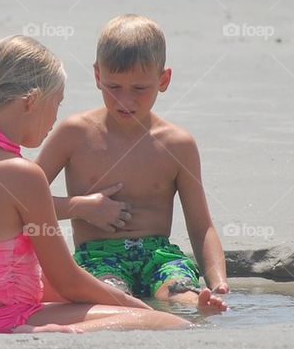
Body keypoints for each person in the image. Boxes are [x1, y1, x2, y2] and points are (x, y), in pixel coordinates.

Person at [0, 35, 226, 335]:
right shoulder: (22, 174)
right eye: (56, 104)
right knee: (169, 323)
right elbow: (67, 281)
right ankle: (45, 331)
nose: (55, 119)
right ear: (32, 101)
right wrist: (135, 307)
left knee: (118, 307)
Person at [36, 15, 230, 310]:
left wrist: (218, 282)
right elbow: (22, 202)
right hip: (99, 257)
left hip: (159, 255)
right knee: (113, 295)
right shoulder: (74, 134)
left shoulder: (178, 144)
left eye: (139, 89)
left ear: (163, 80)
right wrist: (81, 207)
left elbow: (201, 226)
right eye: (114, 87)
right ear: (97, 76)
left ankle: (198, 303)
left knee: (181, 293)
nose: (125, 100)